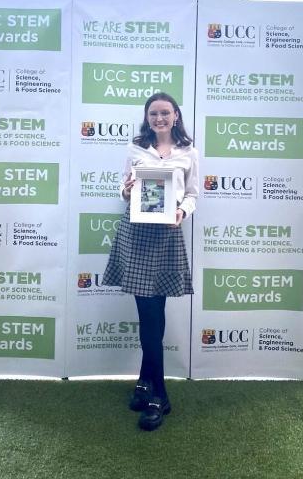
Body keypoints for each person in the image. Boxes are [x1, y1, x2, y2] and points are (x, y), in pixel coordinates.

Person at [102, 92, 199, 431]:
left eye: (165, 113)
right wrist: (127, 191)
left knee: (155, 314)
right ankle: (159, 393)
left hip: (167, 233)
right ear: (147, 118)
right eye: (153, 113)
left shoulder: (189, 152)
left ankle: (149, 385)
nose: (159, 118)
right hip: (137, 233)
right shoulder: (136, 148)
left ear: (175, 116)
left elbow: (192, 194)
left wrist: (182, 212)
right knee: (148, 315)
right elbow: (124, 188)